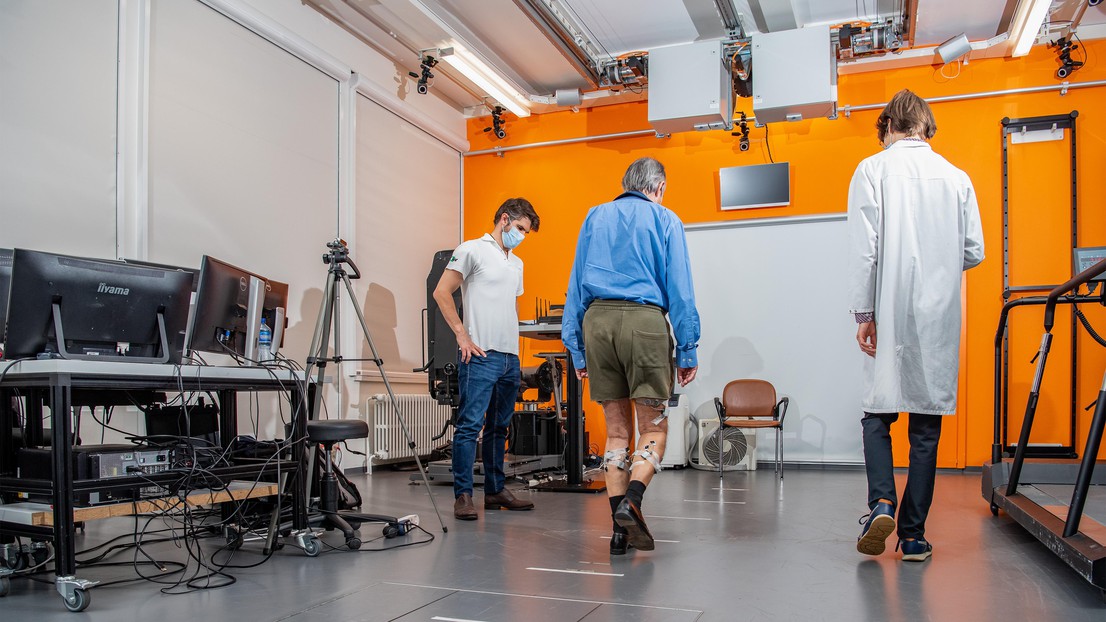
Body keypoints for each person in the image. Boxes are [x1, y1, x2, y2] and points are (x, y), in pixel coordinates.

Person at [848, 89, 984, 562]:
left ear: (887, 126)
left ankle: (881, 501)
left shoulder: (872, 169)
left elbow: (865, 252)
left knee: (876, 415)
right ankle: (912, 536)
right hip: (938, 313)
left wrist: (864, 315)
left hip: (888, 308)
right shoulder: (957, 178)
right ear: (925, 126)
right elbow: (974, 251)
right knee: (925, 428)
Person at [562, 157, 700, 555]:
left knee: (617, 432)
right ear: (657, 187)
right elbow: (680, 288)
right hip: (644, 323)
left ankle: (618, 534)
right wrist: (687, 348)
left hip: (598, 323)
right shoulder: (665, 219)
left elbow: (575, 284)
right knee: (653, 426)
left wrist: (576, 348)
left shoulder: (595, 216)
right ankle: (632, 503)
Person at [433, 198, 541, 520]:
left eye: (526, 232)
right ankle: (463, 496)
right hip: (480, 354)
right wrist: (462, 335)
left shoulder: (516, 263)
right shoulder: (471, 249)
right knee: (469, 427)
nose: (522, 235)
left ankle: (495, 491)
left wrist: (517, 352)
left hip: (509, 358)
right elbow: (442, 292)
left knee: (499, 427)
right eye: (520, 228)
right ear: (504, 219)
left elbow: (512, 306)